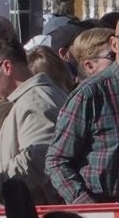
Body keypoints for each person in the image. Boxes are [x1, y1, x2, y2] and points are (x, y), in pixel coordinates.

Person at [0, 38, 65, 207]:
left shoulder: (35, 101)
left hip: (37, 214)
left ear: (7, 67)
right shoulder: (28, 100)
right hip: (30, 211)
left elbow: (37, 163)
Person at [45, 39, 119, 204]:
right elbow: (56, 161)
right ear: (115, 44)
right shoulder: (90, 94)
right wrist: (88, 206)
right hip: (103, 209)